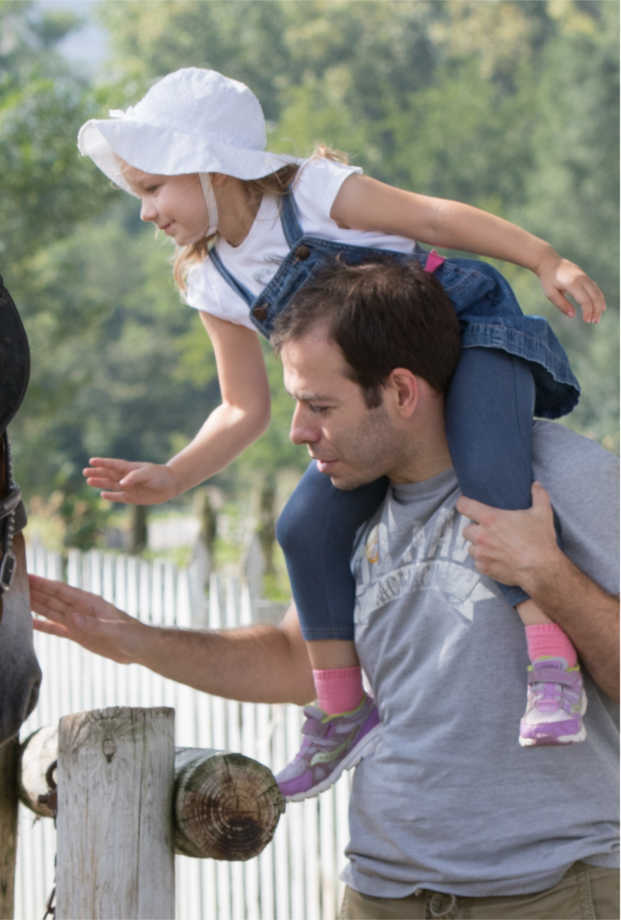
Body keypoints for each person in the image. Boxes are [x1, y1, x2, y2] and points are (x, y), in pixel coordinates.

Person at [75, 67, 607, 797]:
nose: (143, 213)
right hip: (379, 396)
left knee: (489, 478)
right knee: (301, 529)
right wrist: (176, 474)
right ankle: (340, 710)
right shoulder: (211, 280)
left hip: (467, 330)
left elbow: (434, 219)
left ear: (208, 166)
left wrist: (542, 257)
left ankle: (550, 663)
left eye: (150, 189)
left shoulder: (312, 195)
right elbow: (243, 407)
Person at [31, 257, 619, 918]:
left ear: (400, 392)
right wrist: (133, 640)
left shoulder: (569, 480)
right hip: (379, 890)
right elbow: (294, 662)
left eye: (319, 406)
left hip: (551, 893)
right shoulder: (346, 509)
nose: (296, 431)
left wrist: (546, 573)